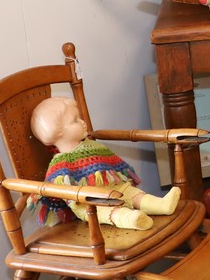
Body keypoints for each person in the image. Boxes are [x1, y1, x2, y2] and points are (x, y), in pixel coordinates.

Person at [30, 96, 181, 230]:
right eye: (75, 120)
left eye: (80, 118)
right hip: (90, 202)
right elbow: (58, 189)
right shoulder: (60, 164)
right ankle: (130, 219)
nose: (83, 122)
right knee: (104, 211)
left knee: (131, 193)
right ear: (57, 132)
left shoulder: (90, 146)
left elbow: (109, 165)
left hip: (114, 188)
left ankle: (161, 205)